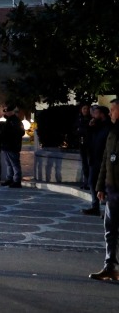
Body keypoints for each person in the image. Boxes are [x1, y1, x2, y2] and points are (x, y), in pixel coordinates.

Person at [89, 98, 119, 281]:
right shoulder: (112, 132)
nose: (110, 113)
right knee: (110, 229)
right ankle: (109, 266)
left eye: (113, 109)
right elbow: (106, 161)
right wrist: (101, 185)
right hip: (112, 190)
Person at [84, 105, 110, 216]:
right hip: (94, 159)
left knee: (106, 185)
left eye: (96, 113)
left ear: (102, 114)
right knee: (92, 181)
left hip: (104, 160)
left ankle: (108, 210)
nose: (93, 115)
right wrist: (90, 128)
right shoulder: (95, 126)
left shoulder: (109, 127)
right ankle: (95, 206)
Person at [0, 105, 25, 188]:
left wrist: (9, 137)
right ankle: (9, 179)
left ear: (11, 112)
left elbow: (20, 132)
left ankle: (17, 180)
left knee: (14, 164)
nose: (6, 113)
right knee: (9, 164)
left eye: (7, 111)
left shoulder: (15, 121)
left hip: (12, 146)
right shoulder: (9, 120)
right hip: (7, 146)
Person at [73, 104, 93, 189]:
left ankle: (90, 182)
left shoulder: (91, 119)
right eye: (84, 108)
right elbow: (76, 130)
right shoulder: (79, 119)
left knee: (90, 163)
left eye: (87, 109)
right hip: (82, 143)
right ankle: (86, 182)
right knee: (84, 164)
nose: (86, 110)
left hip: (90, 144)